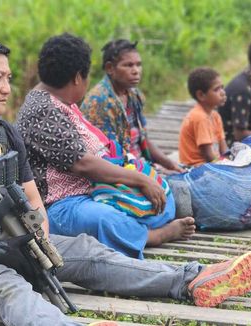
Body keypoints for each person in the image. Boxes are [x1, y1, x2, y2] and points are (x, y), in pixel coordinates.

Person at [0, 34, 251, 325]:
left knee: (86, 252)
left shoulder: (3, 131)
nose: (6, 87)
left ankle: (190, 279)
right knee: (1, 283)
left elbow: (32, 196)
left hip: (5, 235)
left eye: (8, 77)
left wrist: (37, 240)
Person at [16, 34, 195, 260]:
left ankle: (137, 228)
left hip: (93, 189)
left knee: (163, 201)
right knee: (104, 220)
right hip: (61, 204)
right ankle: (152, 236)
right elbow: (83, 163)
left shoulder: (61, 102)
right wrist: (140, 180)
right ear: (77, 78)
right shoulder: (41, 110)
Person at [80, 39, 184, 175]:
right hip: (120, 173)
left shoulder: (133, 95)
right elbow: (110, 156)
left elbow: (143, 138)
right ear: (110, 68)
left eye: (138, 65)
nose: (136, 71)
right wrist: (156, 172)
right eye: (128, 65)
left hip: (140, 165)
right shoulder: (99, 102)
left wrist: (171, 164)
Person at [178, 67, 228, 166]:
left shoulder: (215, 116)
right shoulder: (199, 117)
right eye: (217, 89)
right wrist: (226, 167)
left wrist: (231, 161)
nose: (223, 93)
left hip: (212, 165)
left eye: (222, 87)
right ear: (201, 95)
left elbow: (224, 148)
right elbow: (208, 155)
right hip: (196, 169)